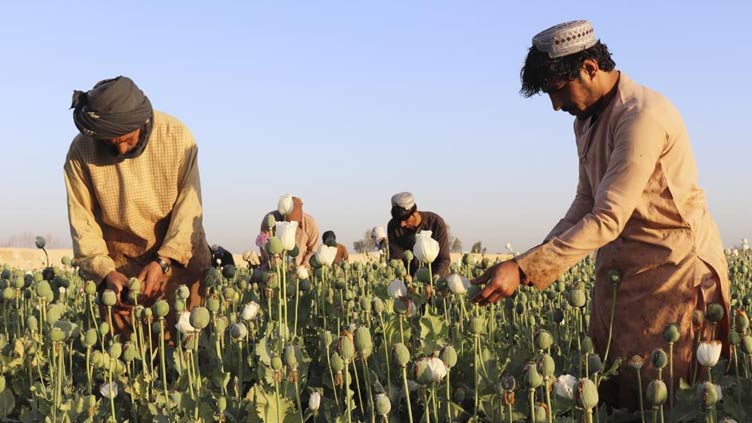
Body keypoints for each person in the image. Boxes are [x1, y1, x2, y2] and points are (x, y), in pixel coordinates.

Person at [471, 20, 730, 409]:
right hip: (622, 272)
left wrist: (524, 270)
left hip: (673, 272)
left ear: (590, 68)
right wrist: (524, 262)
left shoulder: (640, 117)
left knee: (667, 399)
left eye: (558, 91)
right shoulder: (587, 120)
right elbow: (585, 201)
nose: (555, 105)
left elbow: (607, 217)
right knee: (617, 389)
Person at [64, 76, 211, 339]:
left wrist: (163, 262)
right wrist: (105, 272)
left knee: (184, 352)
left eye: (127, 139)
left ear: (142, 123)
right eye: (109, 142)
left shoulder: (176, 137)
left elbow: (189, 210)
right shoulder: (81, 151)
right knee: (129, 359)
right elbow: (82, 222)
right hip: (121, 269)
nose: (119, 148)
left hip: (178, 259)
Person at [387, 192, 451, 278]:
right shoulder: (393, 226)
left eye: (405, 220)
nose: (402, 224)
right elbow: (396, 258)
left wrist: (434, 281)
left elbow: (444, 259)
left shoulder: (436, 223)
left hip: (436, 279)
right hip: (410, 281)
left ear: (415, 212)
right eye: (398, 220)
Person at [259, 196, 319, 268]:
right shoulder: (270, 220)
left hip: (300, 268)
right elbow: (264, 244)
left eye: (294, 225)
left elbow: (313, 250)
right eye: (288, 222)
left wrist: (304, 266)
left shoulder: (310, 223)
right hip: (275, 267)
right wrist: (275, 261)